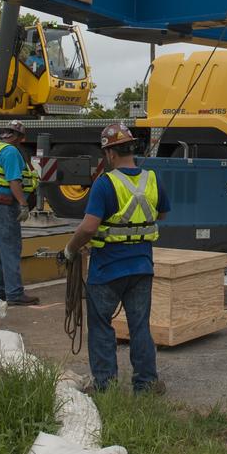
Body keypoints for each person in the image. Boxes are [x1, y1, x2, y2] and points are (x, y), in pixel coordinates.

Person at [63, 122, 169, 394]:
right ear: (132, 148)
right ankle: (146, 384)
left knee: (101, 328)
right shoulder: (153, 179)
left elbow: (88, 227)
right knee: (139, 327)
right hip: (142, 266)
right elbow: (162, 214)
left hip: (107, 268)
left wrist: (71, 249)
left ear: (109, 153)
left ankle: (105, 386)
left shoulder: (105, 183)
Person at [0, 119, 40, 306]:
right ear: (20, 138)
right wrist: (23, 204)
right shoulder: (12, 152)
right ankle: (14, 293)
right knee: (10, 249)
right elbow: (14, 181)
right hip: (5, 205)